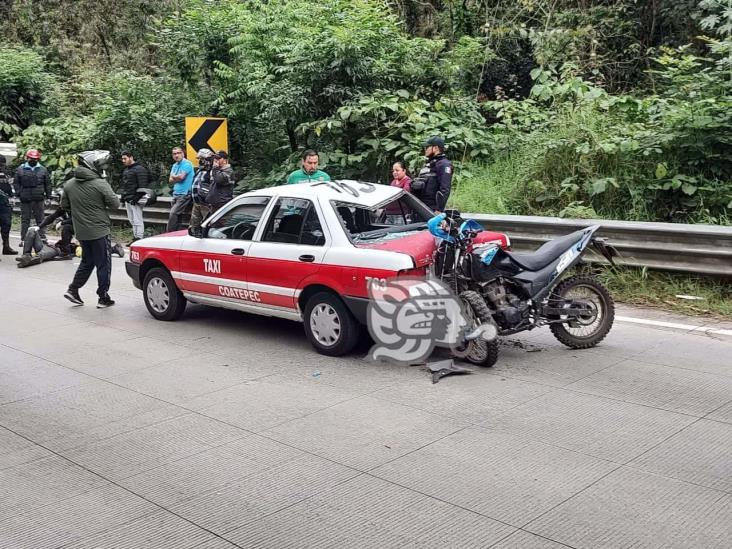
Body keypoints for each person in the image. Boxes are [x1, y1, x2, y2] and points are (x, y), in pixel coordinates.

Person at [61, 150, 120, 308]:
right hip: (99, 230)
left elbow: (64, 206)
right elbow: (115, 204)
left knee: (87, 262)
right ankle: (103, 297)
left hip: (82, 231)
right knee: (104, 264)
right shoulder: (100, 183)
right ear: (92, 165)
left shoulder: (69, 184)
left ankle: (73, 289)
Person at [14, 149, 51, 241]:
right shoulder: (20, 169)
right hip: (25, 199)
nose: (33, 160)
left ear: (38, 159)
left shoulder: (43, 169)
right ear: (27, 158)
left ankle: (42, 237)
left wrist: (48, 197)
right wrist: (19, 193)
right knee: (25, 219)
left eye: (35, 159)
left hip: (39, 198)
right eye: (31, 158)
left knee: (40, 219)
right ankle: (24, 238)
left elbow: (48, 184)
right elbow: (16, 183)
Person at [413, 136, 453, 213]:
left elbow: (445, 189)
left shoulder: (444, 164)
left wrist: (439, 209)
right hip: (421, 207)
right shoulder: (429, 164)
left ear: (435, 148)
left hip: (432, 209)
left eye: (427, 147)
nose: (425, 149)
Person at [120, 151, 149, 244]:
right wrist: (123, 198)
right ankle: (135, 238)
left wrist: (136, 198)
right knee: (132, 220)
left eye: (125, 158)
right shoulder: (126, 170)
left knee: (137, 220)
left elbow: (143, 186)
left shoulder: (140, 169)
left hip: (136, 199)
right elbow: (125, 186)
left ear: (131, 157)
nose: (123, 160)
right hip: (129, 199)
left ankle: (139, 239)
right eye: (122, 159)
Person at [166, 146, 194, 232]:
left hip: (185, 193)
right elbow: (170, 180)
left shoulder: (187, 164)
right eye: (174, 154)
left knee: (173, 213)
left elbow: (181, 177)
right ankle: (176, 234)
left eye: (178, 153)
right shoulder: (175, 165)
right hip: (176, 193)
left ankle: (168, 234)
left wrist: (175, 176)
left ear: (182, 154)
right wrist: (176, 177)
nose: (176, 155)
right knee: (178, 216)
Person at [189, 148, 215, 236]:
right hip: (196, 203)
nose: (200, 161)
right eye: (200, 159)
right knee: (194, 225)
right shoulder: (199, 171)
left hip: (206, 204)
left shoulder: (211, 172)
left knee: (207, 224)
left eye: (202, 159)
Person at [0, 154, 18, 256]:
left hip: (5, 203)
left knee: (6, 225)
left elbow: (11, 186)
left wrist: (13, 197)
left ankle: (6, 247)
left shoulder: (7, 172)